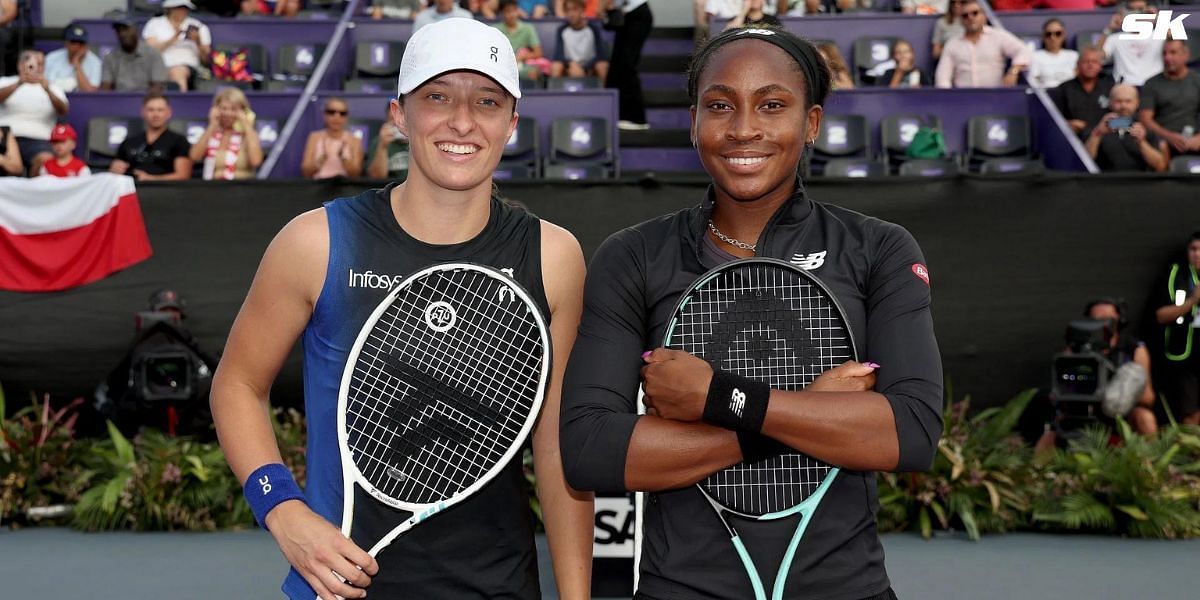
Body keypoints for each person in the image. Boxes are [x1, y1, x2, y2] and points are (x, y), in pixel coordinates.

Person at [210, 17, 593, 600]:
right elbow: (236, 383)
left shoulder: (554, 256)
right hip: (334, 588)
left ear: (511, 124)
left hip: (500, 586)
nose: (462, 121)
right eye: (437, 96)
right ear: (398, 115)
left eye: (486, 101)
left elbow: (557, 446)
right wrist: (281, 510)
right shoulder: (317, 242)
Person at [561, 27, 941, 600]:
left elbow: (910, 433)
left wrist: (715, 399)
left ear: (811, 123)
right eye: (720, 106)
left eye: (772, 105)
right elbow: (592, 451)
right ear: (693, 121)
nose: (744, 128)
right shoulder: (634, 255)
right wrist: (806, 416)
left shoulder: (878, 248)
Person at [1034, 298, 1158, 452]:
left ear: (1120, 321)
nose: (1102, 324)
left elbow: (1148, 398)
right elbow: (1064, 387)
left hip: (1119, 413)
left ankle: (1154, 468)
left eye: (1108, 319)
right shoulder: (1075, 350)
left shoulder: (1134, 350)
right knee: (1050, 430)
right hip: (1081, 408)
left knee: (1145, 417)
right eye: (1095, 320)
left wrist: (1122, 388)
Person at [0, 50, 69, 177]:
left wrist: (47, 89)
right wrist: (19, 83)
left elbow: (63, 110)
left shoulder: (53, 87)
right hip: (6, 138)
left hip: (39, 140)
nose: (36, 67)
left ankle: (32, 194)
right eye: (31, 63)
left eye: (40, 64)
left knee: (46, 160)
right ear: (20, 65)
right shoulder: (5, 81)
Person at [1155, 232, 1200, 427]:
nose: (1198, 254)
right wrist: (1192, 301)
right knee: (1190, 414)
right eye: (1194, 249)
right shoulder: (1178, 275)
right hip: (1186, 354)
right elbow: (1161, 315)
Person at [935, 0, 1030, 88]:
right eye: (965, 15)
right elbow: (943, 77)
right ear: (961, 20)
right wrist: (948, 98)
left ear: (984, 15)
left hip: (995, 97)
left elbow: (1023, 50)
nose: (970, 18)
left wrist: (1014, 71)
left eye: (975, 13)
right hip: (963, 99)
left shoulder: (998, 36)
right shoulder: (952, 44)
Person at [111, 92, 193, 181]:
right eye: (151, 110)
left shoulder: (179, 141)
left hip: (166, 192)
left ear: (169, 113)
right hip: (132, 190)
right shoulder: (129, 142)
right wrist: (114, 170)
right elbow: (115, 171)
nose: (155, 115)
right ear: (143, 112)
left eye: (160, 110)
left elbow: (183, 175)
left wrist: (150, 178)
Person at [1086, 84, 1168, 172]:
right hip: (1105, 182)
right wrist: (1098, 134)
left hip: (1140, 182)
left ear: (1137, 103)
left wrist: (1141, 142)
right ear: (1110, 103)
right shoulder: (1098, 126)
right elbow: (1084, 162)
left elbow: (1160, 166)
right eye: (1118, 101)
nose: (1123, 106)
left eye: (1128, 101)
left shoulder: (1146, 128)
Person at [1139, 40, 1200, 158]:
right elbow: (1145, 119)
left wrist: (1198, 138)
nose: (1167, 58)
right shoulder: (1151, 84)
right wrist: (1170, 137)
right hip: (1162, 140)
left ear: (1185, 54)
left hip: (1194, 138)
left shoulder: (1197, 81)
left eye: (1173, 53)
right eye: (1164, 53)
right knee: (1159, 146)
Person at [189, 87, 263, 180]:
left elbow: (256, 162)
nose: (228, 113)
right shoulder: (211, 133)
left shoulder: (249, 135)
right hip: (213, 188)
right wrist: (212, 125)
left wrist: (246, 124)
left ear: (243, 111)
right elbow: (194, 156)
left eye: (233, 109)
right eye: (224, 108)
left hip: (242, 189)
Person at [142, 0, 213, 92]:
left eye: (185, 8)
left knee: (177, 72)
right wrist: (173, 39)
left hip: (189, 67)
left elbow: (206, 60)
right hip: (158, 65)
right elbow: (149, 51)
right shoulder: (154, 24)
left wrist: (197, 42)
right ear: (170, 8)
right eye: (179, 7)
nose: (183, 10)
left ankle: (178, 102)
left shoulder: (198, 26)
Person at [1053, 47, 1115, 140]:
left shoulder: (1112, 88)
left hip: (1107, 139)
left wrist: (1093, 128)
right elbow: (1054, 120)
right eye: (1086, 62)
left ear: (1100, 66)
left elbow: (1125, 120)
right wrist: (1068, 124)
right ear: (1077, 65)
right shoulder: (1064, 89)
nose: (1090, 65)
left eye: (1094, 62)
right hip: (1075, 140)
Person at [609, 0, 653, 130]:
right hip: (628, 15)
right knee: (618, 65)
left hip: (637, 15)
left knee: (627, 65)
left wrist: (600, 10)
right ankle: (620, 114)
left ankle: (637, 118)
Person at [1098, 0, 1162, 86]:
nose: (1136, 14)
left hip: (1153, 87)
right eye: (1132, 10)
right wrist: (1109, 29)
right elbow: (1097, 57)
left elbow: (1179, 47)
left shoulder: (1160, 36)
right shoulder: (1115, 38)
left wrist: (1158, 20)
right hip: (1125, 88)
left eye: (1140, 10)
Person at [102, 15, 170, 92]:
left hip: (146, 100)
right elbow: (105, 87)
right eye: (118, 31)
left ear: (136, 30)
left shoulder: (153, 54)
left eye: (126, 29)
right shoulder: (110, 57)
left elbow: (158, 85)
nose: (122, 34)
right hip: (119, 101)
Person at [301, 97, 364, 179]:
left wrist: (343, 158)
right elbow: (305, 172)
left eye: (342, 113)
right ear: (324, 115)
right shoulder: (314, 137)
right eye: (331, 112)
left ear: (346, 117)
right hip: (318, 187)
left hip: (345, 188)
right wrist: (320, 161)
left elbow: (356, 173)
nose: (336, 117)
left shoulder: (355, 140)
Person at [551, 0, 610, 81]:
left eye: (575, 10)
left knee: (603, 66)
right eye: (568, 10)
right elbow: (558, 55)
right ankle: (555, 93)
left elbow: (601, 55)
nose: (571, 14)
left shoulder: (593, 29)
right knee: (556, 66)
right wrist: (571, 63)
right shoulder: (561, 30)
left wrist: (585, 67)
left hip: (590, 65)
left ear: (582, 10)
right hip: (570, 65)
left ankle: (604, 93)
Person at [495, 0, 545, 82]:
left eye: (514, 10)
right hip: (502, 65)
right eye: (507, 11)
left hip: (522, 65)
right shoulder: (496, 29)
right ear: (502, 13)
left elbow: (538, 52)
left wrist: (522, 57)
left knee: (533, 72)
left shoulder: (528, 28)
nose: (511, 15)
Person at [44, 24, 101, 93]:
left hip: (82, 102)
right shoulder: (51, 58)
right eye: (73, 42)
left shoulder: (95, 62)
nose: (77, 46)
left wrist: (77, 64)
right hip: (54, 100)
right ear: (66, 43)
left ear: (86, 45)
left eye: (81, 43)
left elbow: (90, 92)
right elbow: (43, 86)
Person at [1028, 18, 1077, 89]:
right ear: (1043, 37)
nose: (1053, 37)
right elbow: (1032, 81)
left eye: (1058, 33)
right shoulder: (1035, 56)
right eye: (1048, 34)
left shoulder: (1074, 56)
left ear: (1064, 36)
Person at [365, 105, 408, 180]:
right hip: (388, 188)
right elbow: (376, 176)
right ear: (387, 121)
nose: (397, 123)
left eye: (403, 118)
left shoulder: (420, 141)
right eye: (393, 119)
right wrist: (382, 146)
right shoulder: (378, 142)